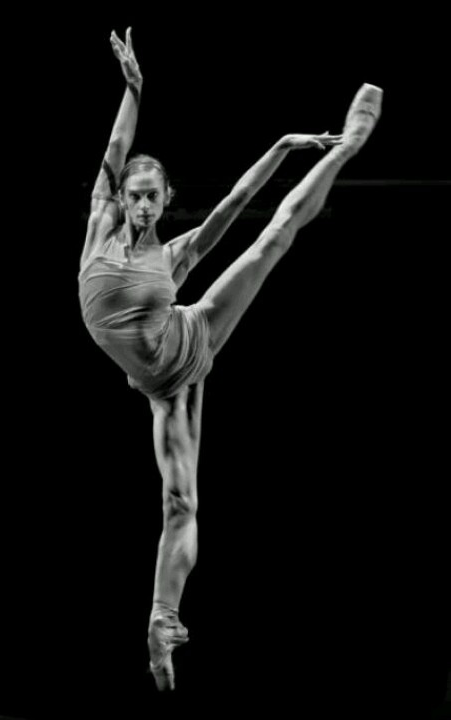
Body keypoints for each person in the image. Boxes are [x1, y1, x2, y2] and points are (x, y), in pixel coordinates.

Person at [78, 26, 383, 692]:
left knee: (270, 239)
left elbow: (236, 204)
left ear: (164, 202)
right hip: (156, 380)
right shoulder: (100, 219)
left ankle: (347, 146)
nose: (143, 203)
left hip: (191, 344)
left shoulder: (173, 255)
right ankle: (163, 625)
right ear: (121, 196)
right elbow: (116, 147)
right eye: (135, 192)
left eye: (155, 196)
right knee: (181, 503)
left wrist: (280, 147)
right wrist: (133, 88)